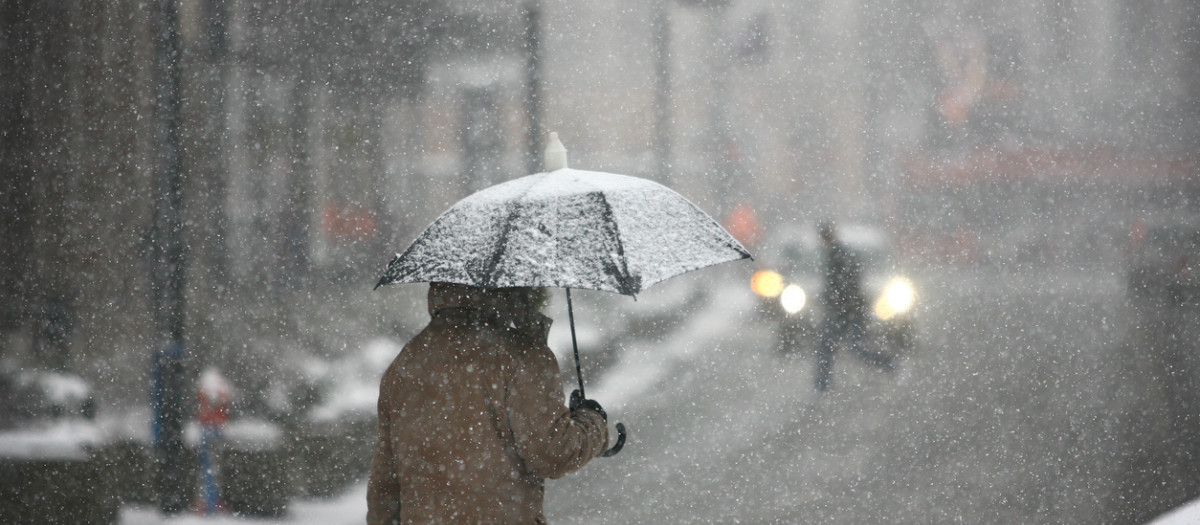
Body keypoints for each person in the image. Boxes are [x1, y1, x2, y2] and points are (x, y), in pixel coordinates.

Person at [368, 282, 610, 524]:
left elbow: (384, 483)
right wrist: (592, 423)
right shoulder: (522, 355)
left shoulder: (406, 362)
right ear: (517, 289)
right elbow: (553, 454)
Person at [814, 221, 894, 392]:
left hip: (848, 311)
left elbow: (847, 285)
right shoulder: (835, 254)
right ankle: (821, 385)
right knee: (833, 347)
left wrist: (839, 302)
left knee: (851, 348)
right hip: (846, 311)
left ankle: (889, 363)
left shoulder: (839, 255)